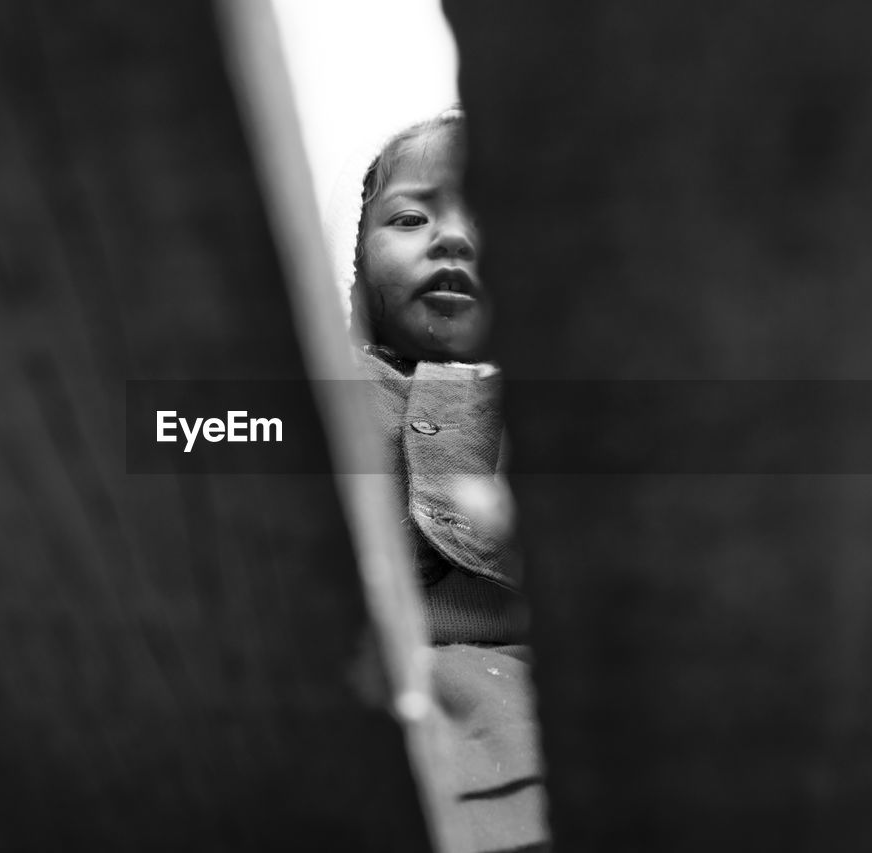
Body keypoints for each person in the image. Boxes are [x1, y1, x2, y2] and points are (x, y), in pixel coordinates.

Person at [351, 109, 550, 851]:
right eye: (409, 217)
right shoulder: (324, 386)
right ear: (357, 266)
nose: (453, 236)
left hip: (520, 725)